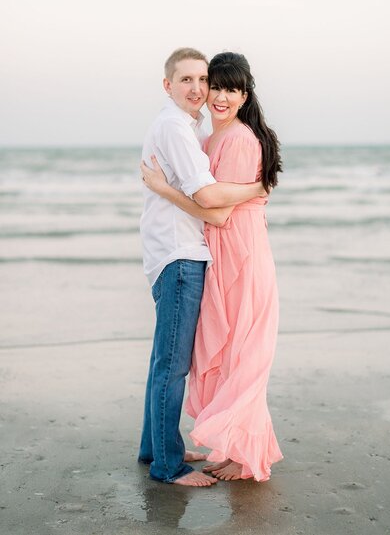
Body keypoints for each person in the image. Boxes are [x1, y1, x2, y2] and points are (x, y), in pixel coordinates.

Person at [141, 51, 283, 482]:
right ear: (171, 85)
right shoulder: (202, 134)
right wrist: (257, 187)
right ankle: (208, 451)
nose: (216, 95)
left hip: (239, 257)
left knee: (242, 355)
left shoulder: (235, 138)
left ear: (245, 95)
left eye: (227, 88)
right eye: (212, 85)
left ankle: (242, 454)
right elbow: (213, 202)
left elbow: (217, 211)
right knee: (217, 355)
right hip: (214, 255)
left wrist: (256, 185)